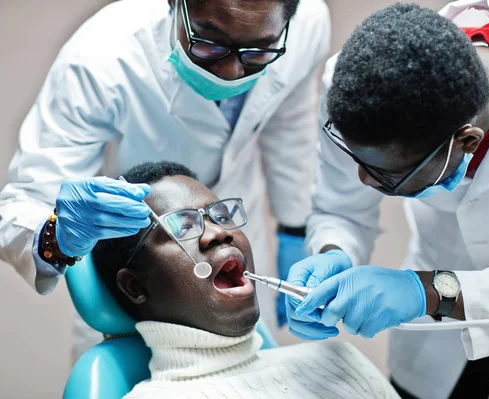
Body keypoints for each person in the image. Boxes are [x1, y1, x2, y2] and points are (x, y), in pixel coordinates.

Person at [285, 1, 489, 399]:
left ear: (466, 142)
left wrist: (428, 293)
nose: (364, 180)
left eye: (386, 174)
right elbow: (340, 208)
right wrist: (333, 253)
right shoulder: (356, 85)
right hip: (439, 341)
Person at [0, 0, 330, 361]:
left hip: (230, 241)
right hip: (146, 275)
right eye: (209, 43)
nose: (232, 71)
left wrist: (294, 228)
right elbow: (24, 202)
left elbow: (289, 124)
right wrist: (56, 235)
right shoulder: (100, 58)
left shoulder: (305, 25)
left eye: (256, 52)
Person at [89, 161, 398, 399]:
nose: (220, 232)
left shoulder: (336, 359)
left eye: (220, 215)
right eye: (182, 227)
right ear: (136, 286)